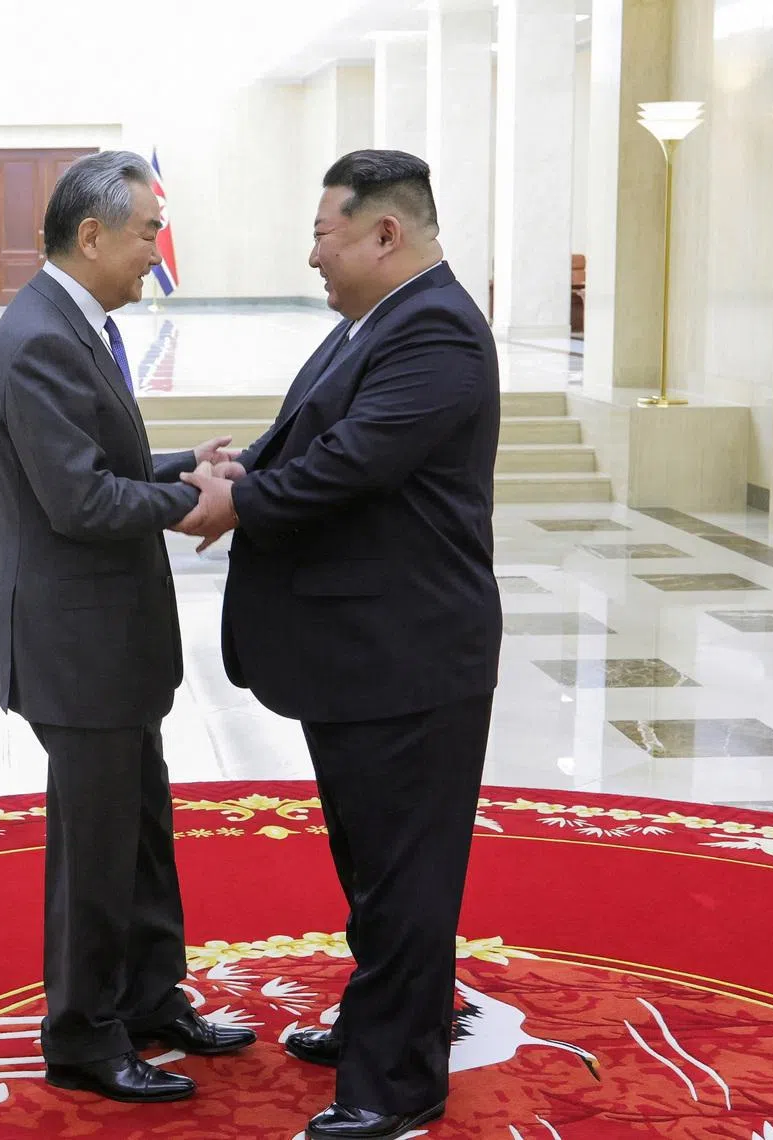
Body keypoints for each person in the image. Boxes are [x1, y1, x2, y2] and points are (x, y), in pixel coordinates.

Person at [178, 149, 502, 1139]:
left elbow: (356, 463)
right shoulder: (379, 322)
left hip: (407, 652)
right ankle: (393, 1012)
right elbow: (314, 433)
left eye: (325, 233)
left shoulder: (436, 327)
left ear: (384, 234)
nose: (313, 253)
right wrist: (241, 462)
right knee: (376, 864)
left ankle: (397, 1083)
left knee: (405, 871)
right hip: (362, 650)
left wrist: (236, 504)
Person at [0, 150, 255, 1106]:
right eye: (146, 232)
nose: (155, 250)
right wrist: (191, 502)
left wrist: (184, 461)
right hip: (75, 643)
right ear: (91, 236)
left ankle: (148, 997)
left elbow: (104, 453)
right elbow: (80, 501)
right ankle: (84, 1036)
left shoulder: (75, 323)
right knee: (93, 852)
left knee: (140, 828)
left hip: (107, 641)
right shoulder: (43, 337)